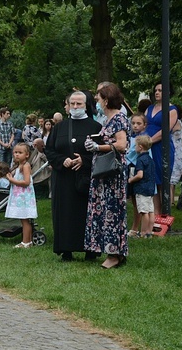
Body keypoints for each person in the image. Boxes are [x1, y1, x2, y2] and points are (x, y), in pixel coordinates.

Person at [46, 91, 101, 262]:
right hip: (63, 179)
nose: (76, 107)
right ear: (68, 105)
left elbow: (102, 152)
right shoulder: (60, 127)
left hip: (85, 179)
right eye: (73, 104)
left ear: (86, 105)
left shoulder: (95, 127)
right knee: (64, 213)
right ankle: (66, 250)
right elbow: (50, 149)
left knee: (87, 214)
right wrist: (63, 160)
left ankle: (90, 250)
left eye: (79, 104)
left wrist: (83, 160)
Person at [85, 82, 130, 269]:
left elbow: (121, 145)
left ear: (106, 100)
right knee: (103, 211)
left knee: (112, 212)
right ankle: (111, 251)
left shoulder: (119, 118)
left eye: (99, 97)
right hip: (104, 173)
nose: (96, 100)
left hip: (112, 174)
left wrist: (98, 147)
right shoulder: (108, 119)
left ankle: (114, 254)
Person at [145, 82, 179, 215]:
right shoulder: (149, 108)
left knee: (162, 181)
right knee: (152, 181)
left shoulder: (172, 110)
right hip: (148, 147)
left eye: (160, 90)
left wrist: (150, 141)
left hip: (161, 147)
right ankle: (156, 213)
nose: (157, 92)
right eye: (156, 90)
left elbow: (166, 129)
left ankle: (165, 213)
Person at [5, 142, 37, 248]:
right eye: (15, 152)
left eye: (20, 152)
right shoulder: (19, 166)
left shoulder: (26, 166)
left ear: (27, 155)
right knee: (23, 220)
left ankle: (26, 242)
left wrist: (12, 180)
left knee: (25, 220)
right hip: (20, 197)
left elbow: (26, 182)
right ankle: (27, 241)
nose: (17, 155)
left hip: (24, 197)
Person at [126, 113, 150, 238]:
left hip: (136, 171)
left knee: (138, 201)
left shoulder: (143, 140)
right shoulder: (130, 137)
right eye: (133, 123)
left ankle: (137, 228)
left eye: (139, 123)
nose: (135, 126)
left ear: (144, 125)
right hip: (129, 169)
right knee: (133, 200)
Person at [127, 135, 155, 238]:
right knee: (151, 211)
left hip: (142, 188)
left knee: (144, 212)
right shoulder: (151, 159)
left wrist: (131, 179)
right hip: (150, 188)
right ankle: (149, 231)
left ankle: (143, 232)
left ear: (140, 147)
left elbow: (140, 175)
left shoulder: (140, 160)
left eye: (135, 146)